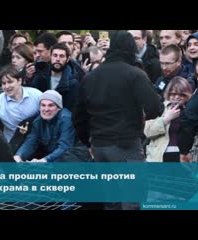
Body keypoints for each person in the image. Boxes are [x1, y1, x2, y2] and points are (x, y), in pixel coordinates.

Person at [73, 31, 161, 210]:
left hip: (99, 146)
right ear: (130, 48)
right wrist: (141, 121)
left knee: (111, 202)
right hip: (126, 145)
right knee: (132, 200)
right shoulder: (135, 74)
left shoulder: (90, 77)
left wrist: (87, 140)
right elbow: (155, 107)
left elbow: (78, 117)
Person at [14, 90, 76, 162]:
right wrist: (18, 156)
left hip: (72, 159)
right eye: (43, 105)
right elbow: (31, 142)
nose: (46, 109)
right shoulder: (38, 121)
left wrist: (44, 160)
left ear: (59, 107)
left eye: (51, 105)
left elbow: (64, 147)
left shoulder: (66, 119)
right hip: (52, 157)